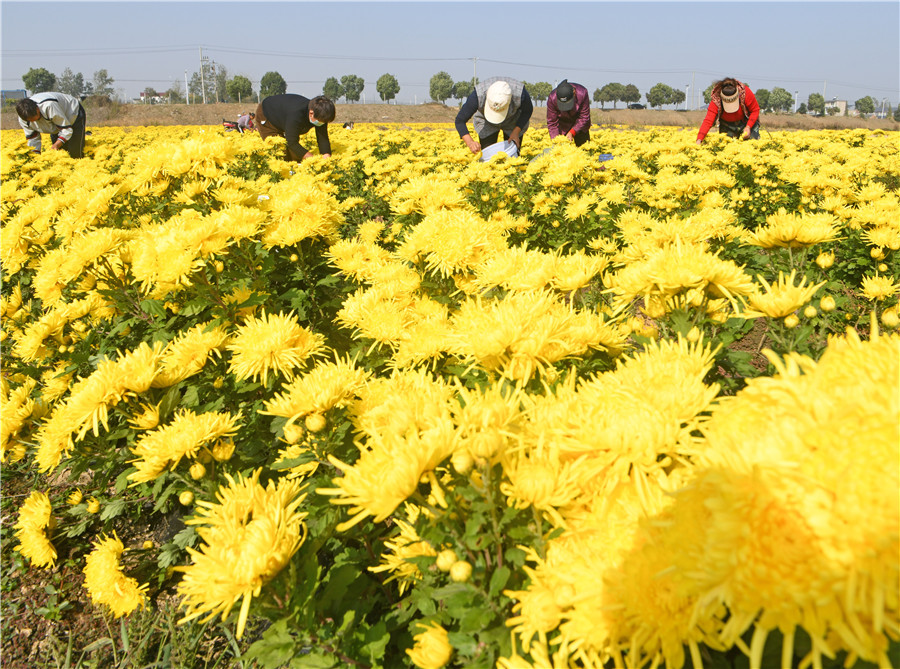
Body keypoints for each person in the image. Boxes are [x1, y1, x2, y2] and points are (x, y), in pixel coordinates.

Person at [455, 77, 533, 154]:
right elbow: (460, 121)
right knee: (487, 153)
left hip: (513, 119)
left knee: (512, 153)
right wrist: (470, 142)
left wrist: (516, 132)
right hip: (486, 121)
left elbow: (527, 111)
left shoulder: (520, 94)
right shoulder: (478, 96)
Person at [255, 94, 334, 161]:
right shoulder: (296, 114)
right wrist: (312, 159)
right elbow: (292, 142)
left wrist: (326, 157)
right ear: (311, 113)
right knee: (280, 152)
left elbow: (323, 139)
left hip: (284, 117)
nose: (322, 124)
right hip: (268, 115)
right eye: (320, 121)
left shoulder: (322, 114)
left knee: (296, 156)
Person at [16, 91, 87, 158]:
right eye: (31, 120)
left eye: (36, 118)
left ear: (37, 108)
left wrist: (57, 144)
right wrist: (35, 158)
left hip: (72, 112)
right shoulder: (23, 118)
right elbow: (33, 139)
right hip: (55, 122)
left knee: (75, 151)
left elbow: (66, 129)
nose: (34, 121)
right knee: (59, 153)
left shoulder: (49, 106)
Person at [696, 78, 761, 144]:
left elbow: (755, 110)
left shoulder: (745, 93)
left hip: (746, 122)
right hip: (727, 125)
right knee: (727, 147)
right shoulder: (716, 99)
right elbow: (708, 121)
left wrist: (748, 127)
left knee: (752, 144)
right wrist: (699, 139)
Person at [546, 79, 592, 146]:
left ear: (574, 93)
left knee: (584, 150)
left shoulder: (582, 93)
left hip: (581, 126)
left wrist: (572, 132)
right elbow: (552, 122)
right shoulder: (552, 98)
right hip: (562, 126)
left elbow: (584, 117)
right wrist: (556, 140)